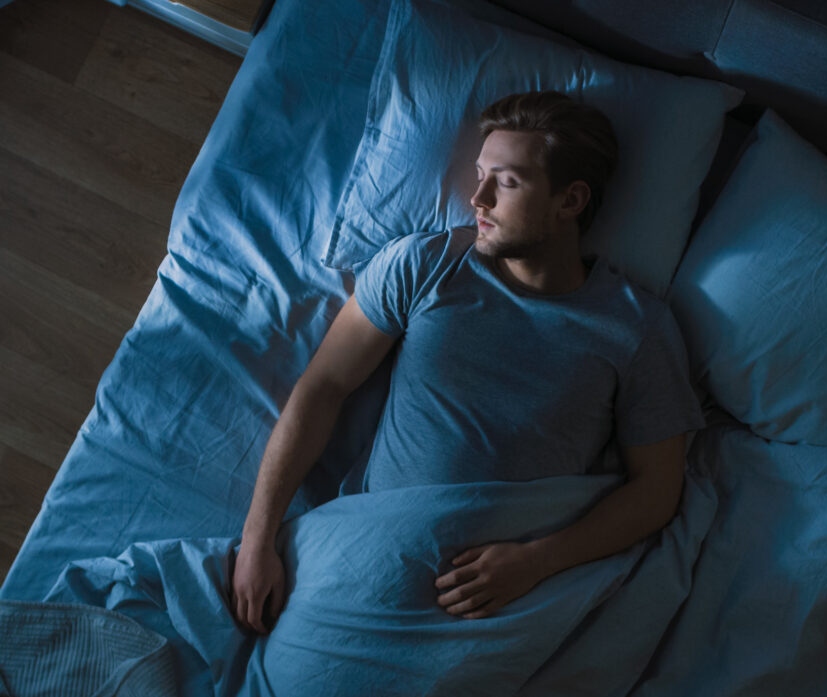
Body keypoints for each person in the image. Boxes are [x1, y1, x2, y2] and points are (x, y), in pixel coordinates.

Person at [229, 91, 705, 634]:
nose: (476, 197)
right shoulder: (425, 265)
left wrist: (538, 561)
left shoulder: (635, 330)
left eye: (505, 181)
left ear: (570, 201)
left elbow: (656, 491)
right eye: (479, 174)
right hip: (369, 553)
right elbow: (324, 385)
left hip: (505, 600)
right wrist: (257, 541)